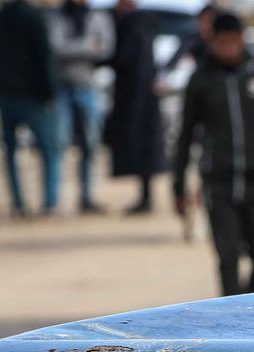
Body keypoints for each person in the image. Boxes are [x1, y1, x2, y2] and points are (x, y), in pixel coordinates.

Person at [172, 11, 254, 295]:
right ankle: (232, 311)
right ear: (212, 40)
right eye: (222, 42)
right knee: (227, 257)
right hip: (218, 182)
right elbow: (185, 135)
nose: (229, 48)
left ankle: (249, 299)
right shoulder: (200, 79)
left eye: (234, 41)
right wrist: (178, 187)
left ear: (242, 39)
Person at [0, 0, 59, 219]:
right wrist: (50, 92)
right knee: (48, 150)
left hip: (5, 94)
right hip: (33, 96)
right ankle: (50, 203)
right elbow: (45, 56)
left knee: (11, 152)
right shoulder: (34, 17)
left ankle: (18, 205)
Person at [49, 0, 115, 214]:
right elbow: (55, 47)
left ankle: (86, 198)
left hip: (88, 86)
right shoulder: (57, 16)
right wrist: (87, 45)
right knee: (59, 143)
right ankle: (53, 201)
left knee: (91, 143)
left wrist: (74, 47)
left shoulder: (97, 16)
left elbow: (106, 48)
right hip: (62, 88)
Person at [105, 0, 165, 214]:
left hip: (136, 99)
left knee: (143, 148)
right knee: (144, 149)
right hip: (141, 99)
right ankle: (145, 197)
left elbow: (123, 59)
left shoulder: (132, 27)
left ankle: (146, 198)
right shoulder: (143, 26)